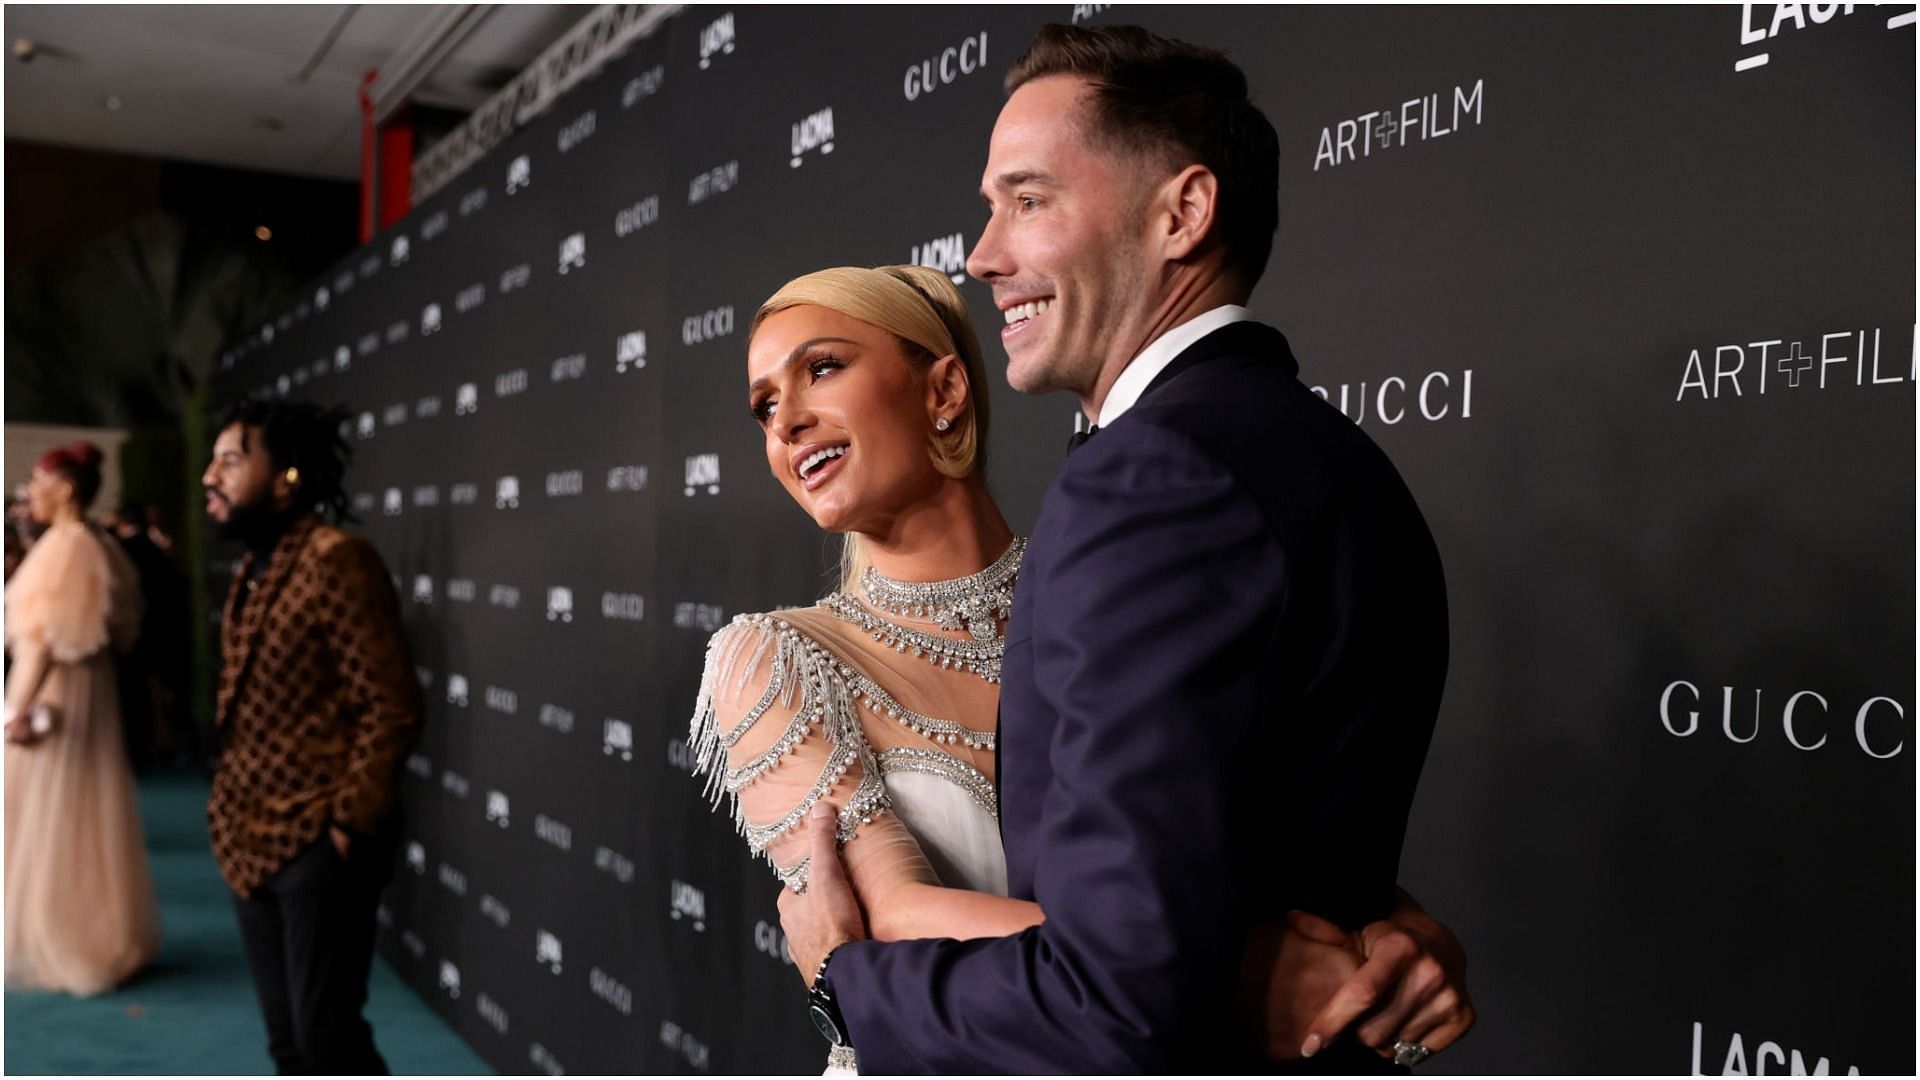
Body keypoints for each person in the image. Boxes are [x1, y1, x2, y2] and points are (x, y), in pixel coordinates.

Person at [771, 24, 1464, 1073]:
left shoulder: (1153, 479)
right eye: (990, 206)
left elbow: (1114, 1005)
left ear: (1182, 212)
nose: (983, 253)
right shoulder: (1339, 463)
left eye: (1028, 199)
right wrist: (1387, 936)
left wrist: (844, 977)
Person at [202, 398, 423, 1074]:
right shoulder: (255, 567)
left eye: (232, 460)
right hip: (247, 836)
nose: (211, 475)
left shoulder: (336, 559)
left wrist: (348, 824)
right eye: (211, 459)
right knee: (290, 1046)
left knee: (328, 1040)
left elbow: (390, 703)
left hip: (318, 844)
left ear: (286, 477)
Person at [3, 442, 161, 995]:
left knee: (54, 814)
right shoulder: (95, 546)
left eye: (36, 483)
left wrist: (15, 711)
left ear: (66, 488)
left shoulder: (66, 549)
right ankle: (88, 928)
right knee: (80, 812)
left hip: (55, 698)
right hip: (87, 694)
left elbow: (42, 643)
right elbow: (122, 630)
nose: (29, 494)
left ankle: (63, 936)